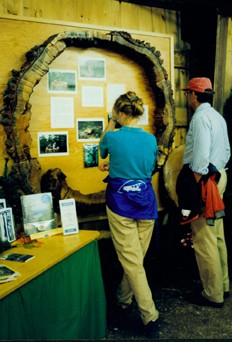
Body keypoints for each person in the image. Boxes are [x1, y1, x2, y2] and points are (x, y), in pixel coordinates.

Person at [98, 91, 159, 338]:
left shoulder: (112, 138)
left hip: (120, 205)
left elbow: (101, 153)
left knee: (132, 261)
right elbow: (147, 167)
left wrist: (110, 124)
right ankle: (122, 301)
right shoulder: (151, 139)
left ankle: (150, 316)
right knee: (135, 260)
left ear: (121, 113)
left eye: (116, 114)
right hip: (146, 203)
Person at [178, 77, 231, 308]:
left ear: (193, 95)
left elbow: (199, 157)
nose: (187, 97)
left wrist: (197, 185)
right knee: (216, 234)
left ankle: (212, 293)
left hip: (205, 181)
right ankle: (223, 285)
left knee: (203, 238)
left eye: (188, 93)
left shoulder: (199, 118)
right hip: (219, 176)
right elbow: (227, 150)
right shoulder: (217, 116)